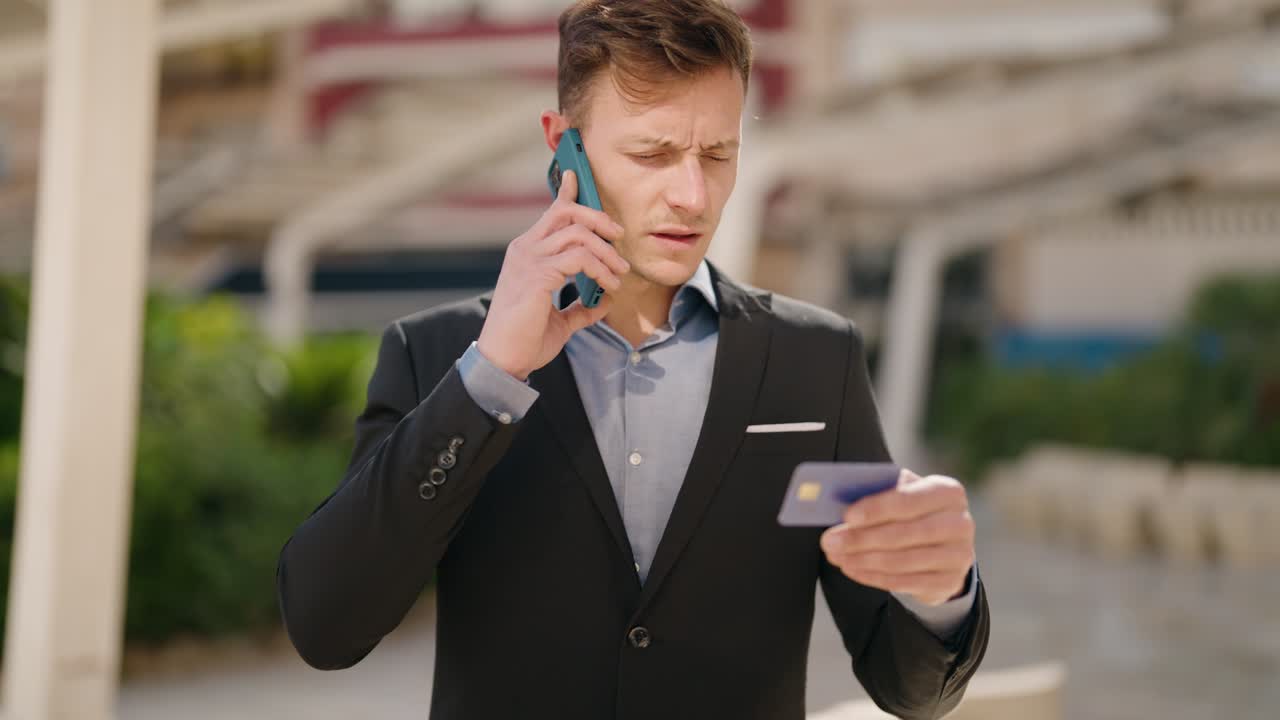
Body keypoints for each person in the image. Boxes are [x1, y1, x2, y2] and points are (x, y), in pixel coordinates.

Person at [276, 1, 989, 718]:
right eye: (652, 154)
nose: (692, 196)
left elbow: (909, 688)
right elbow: (326, 624)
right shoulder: (436, 355)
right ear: (564, 146)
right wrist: (491, 373)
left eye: (719, 154)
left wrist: (940, 594)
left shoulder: (815, 360)